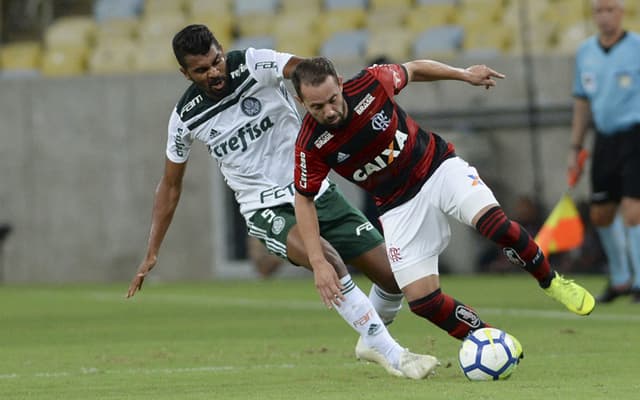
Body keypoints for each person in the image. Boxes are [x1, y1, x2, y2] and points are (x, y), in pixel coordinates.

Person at [125, 24, 438, 379]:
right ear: (185, 73)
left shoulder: (254, 63)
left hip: (314, 191)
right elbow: (169, 186)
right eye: (201, 69)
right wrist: (152, 250)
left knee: (396, 280)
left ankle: (370, 335)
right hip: (265, 209)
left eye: (217, 61)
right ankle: (392, 353)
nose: (214, 72)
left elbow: (305, 71)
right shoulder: (185, 118)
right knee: (327, 260)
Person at [291, 56, 596, 344]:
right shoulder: (309, 145)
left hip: (436, 167)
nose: (329, 111)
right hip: (398, 205)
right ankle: (489, 340)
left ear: (341, 83)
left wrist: (464, 74)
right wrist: (318, 261)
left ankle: (551, 281)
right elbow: (304, 200)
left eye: (333, 100)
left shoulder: (371, 83)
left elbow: (415, 69)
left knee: (495, 226)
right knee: (422, 301)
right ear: (300, 101)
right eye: (317, 107)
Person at [569, 0, 640, 303]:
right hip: (604, 139)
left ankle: (639, 281)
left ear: (622, 13)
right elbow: (582, 102)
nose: (604, 16)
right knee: (601, 214)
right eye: (599, 10)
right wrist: (576, 147)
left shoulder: (636, 46)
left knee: (633, 210)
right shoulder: (586, 52)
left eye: (610, 9)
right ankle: (621, 279)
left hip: (635, 135)